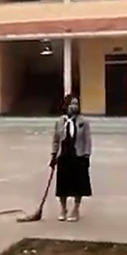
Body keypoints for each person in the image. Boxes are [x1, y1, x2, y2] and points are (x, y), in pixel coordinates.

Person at [49, 94, 92, 222]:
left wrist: (86, 155)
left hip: (78, 155)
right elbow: (56, 140)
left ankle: (76, 209)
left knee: (78, 184)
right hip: (64, 155)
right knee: (62, 184)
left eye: (76, 104)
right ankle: (63, 209)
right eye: (72, 104)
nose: (74, 106)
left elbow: (87, 140)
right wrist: (54, 154)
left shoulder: (83, 122)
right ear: (66, 105)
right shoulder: (60, 122)